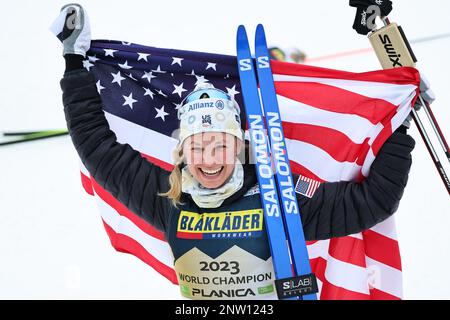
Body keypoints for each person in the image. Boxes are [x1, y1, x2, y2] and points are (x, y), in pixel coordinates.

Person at [54, 4, 423, 300]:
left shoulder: (281, 197)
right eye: (197, 147)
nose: (209, 159)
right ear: (181, 152)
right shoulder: (167, 198)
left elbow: (373, 202)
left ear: (240, 147)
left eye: (220, 145)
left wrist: (398, 124)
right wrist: (74, 63)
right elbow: (97, 147)